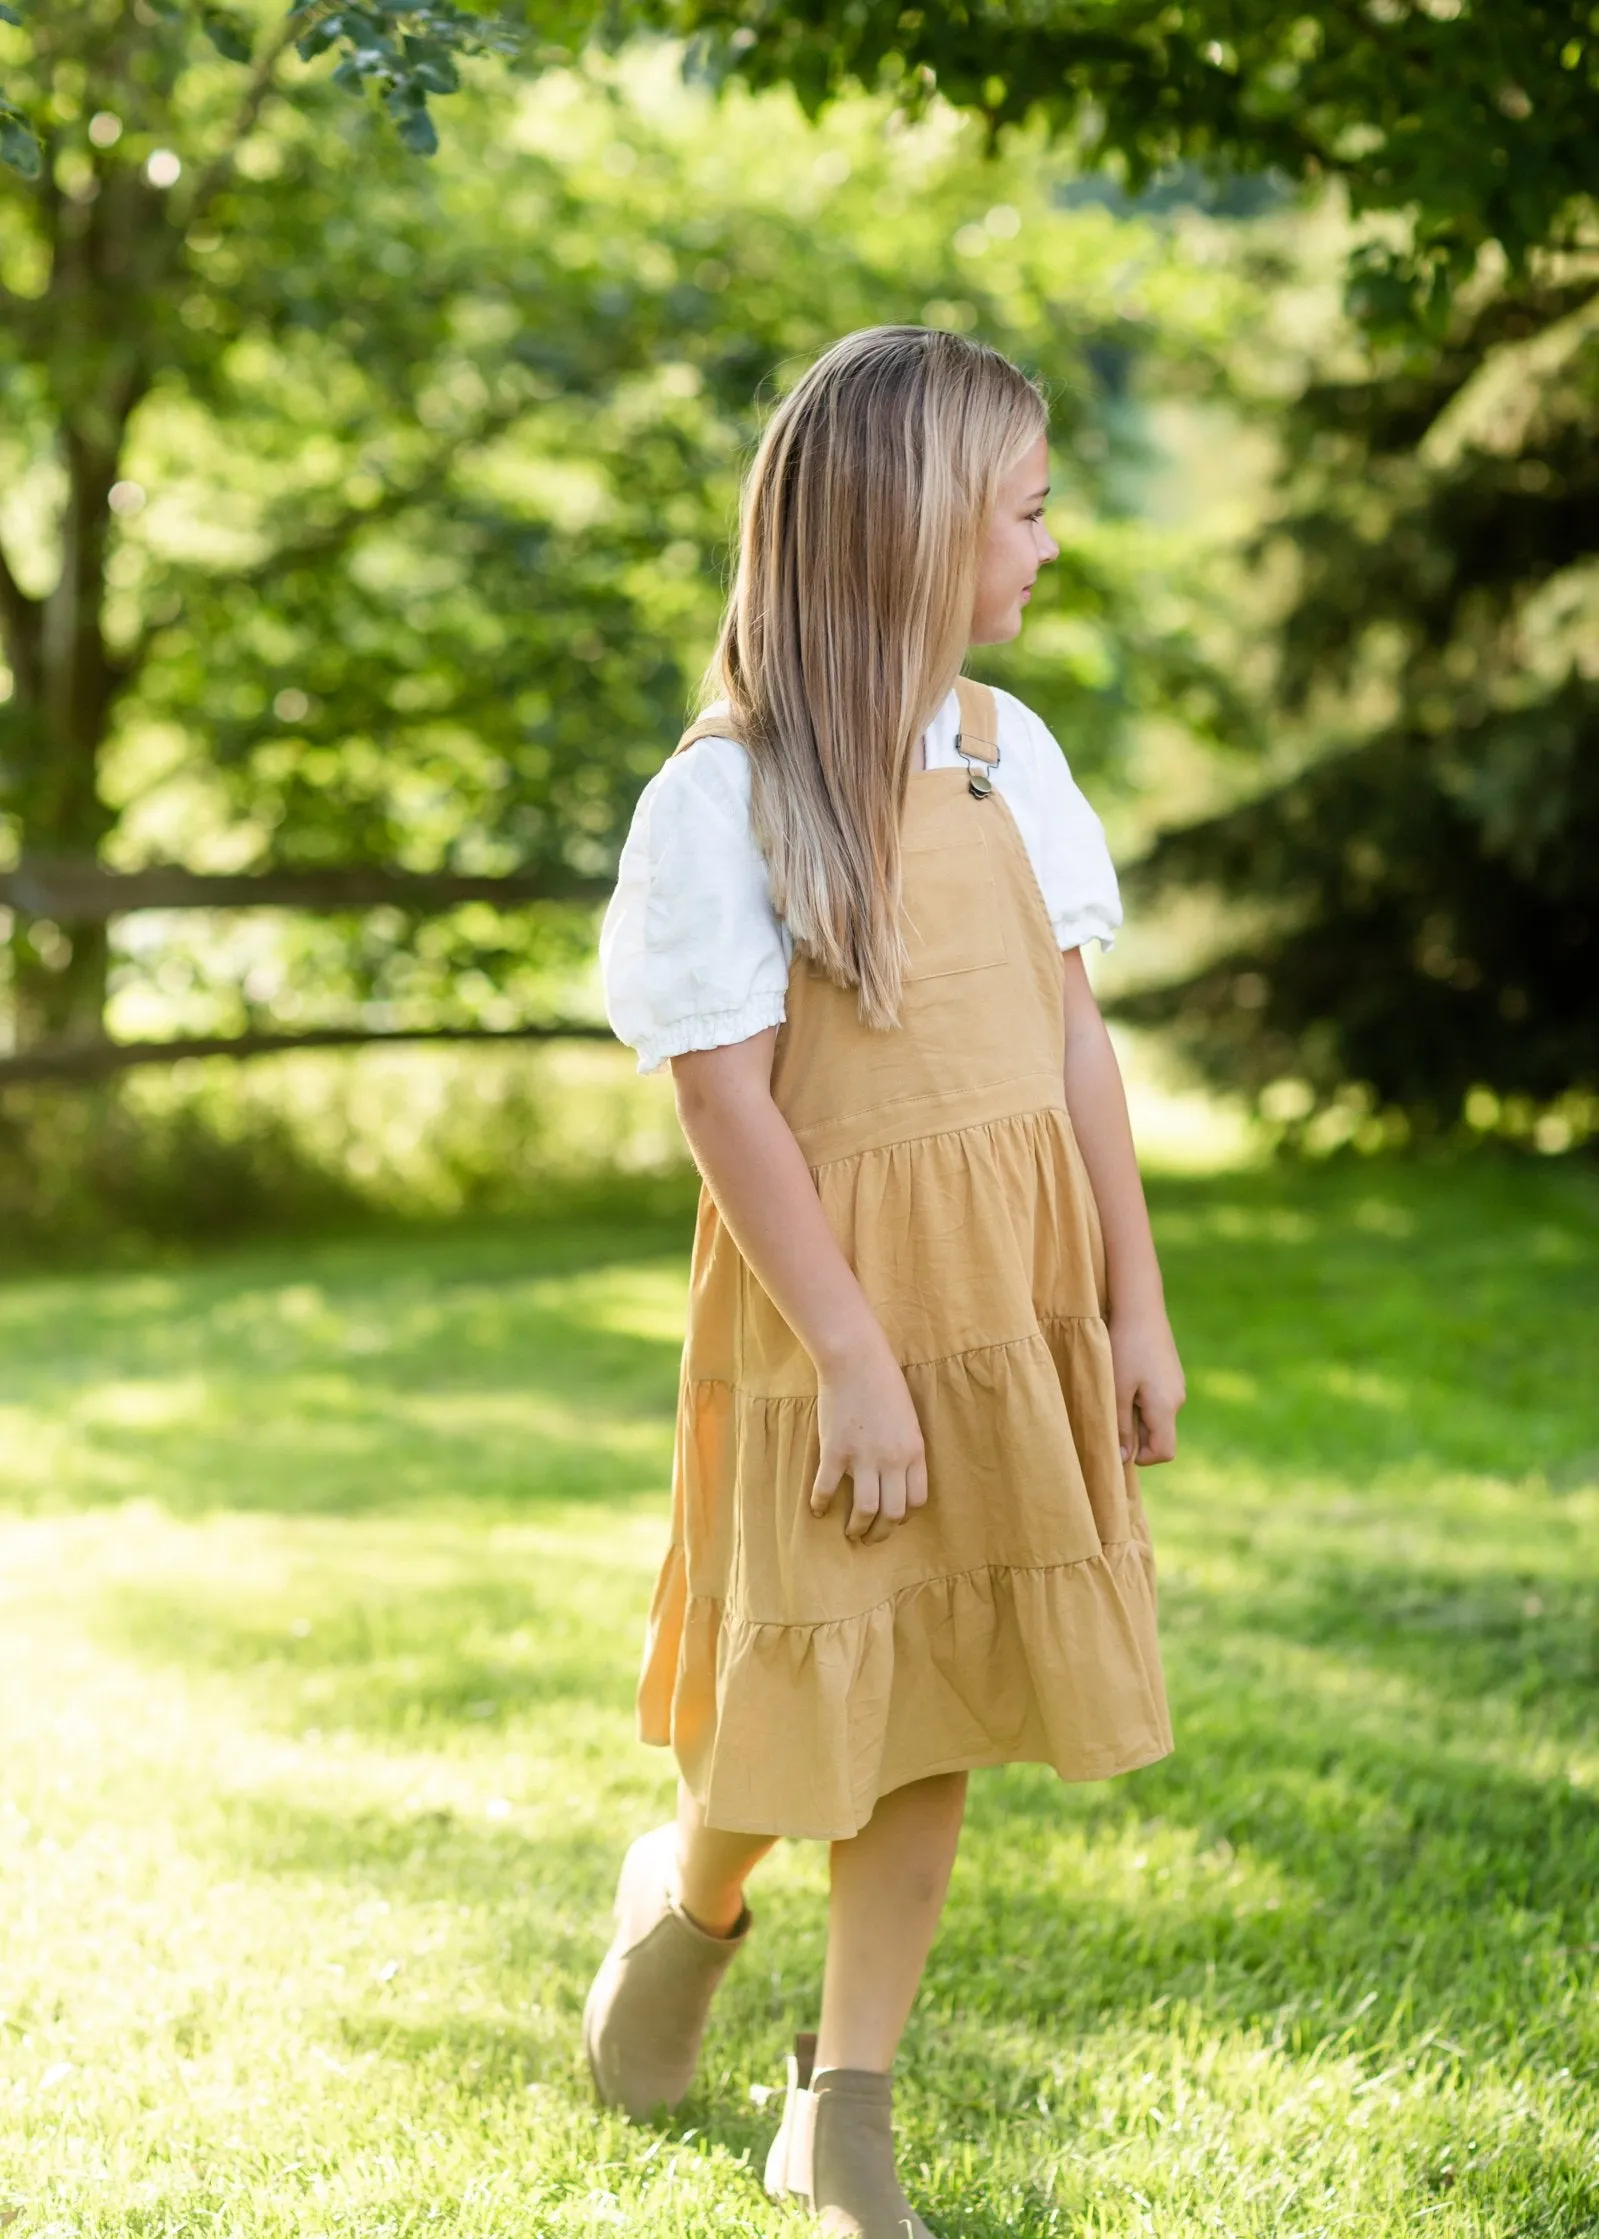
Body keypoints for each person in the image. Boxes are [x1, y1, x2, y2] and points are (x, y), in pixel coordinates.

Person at [587, 325, 1185, 2239]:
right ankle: (690, 1895)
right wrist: (847, 1354)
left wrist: (1133, 1303)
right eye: (1023, 511)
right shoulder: (726, 795)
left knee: (928, 1695)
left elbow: (1073, 1047)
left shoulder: (1012, 759)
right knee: (800, 1691)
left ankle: (844, 2106)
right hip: (829, 1318)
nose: (1048, 545)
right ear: (914, 534)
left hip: (1007, 1309)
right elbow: (724, 1101)